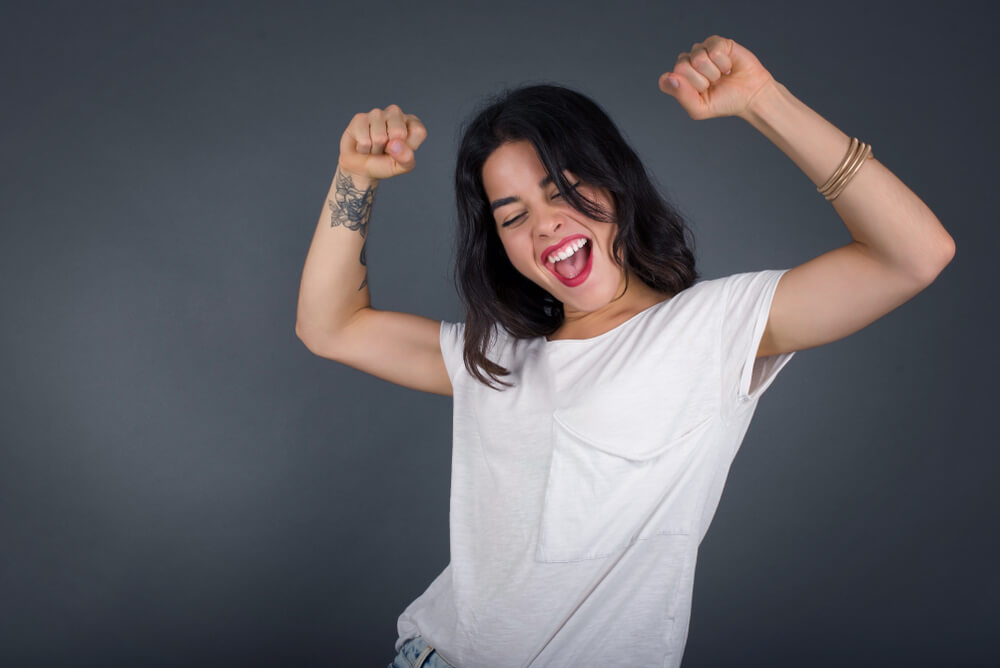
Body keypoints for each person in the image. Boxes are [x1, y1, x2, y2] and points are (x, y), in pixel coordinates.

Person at [295, 35, 954, 668]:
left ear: (615, 184)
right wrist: (356, 177)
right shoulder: (495, 357)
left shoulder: (710, 328)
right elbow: (330, 327)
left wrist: (763, 99)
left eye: (561, 190)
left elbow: (914, 255)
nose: (546, 223)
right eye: (512, 214)